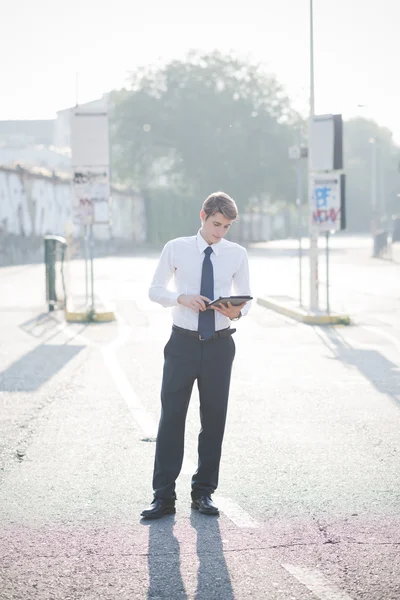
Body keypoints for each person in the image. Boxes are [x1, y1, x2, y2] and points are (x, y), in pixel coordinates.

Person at [141, 191, 252, 519]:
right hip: (182, 345)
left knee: (213, 421)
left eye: (227, 227)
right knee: (171, 419)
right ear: (202, 216)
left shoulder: (237, 254)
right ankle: (163, 497)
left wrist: (235, 312)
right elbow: (155, 290)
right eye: (216, 224)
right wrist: (181, 298)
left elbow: (247, 299)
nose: (220, 232)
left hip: (220, 345)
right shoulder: (176, 248)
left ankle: (203, 493)